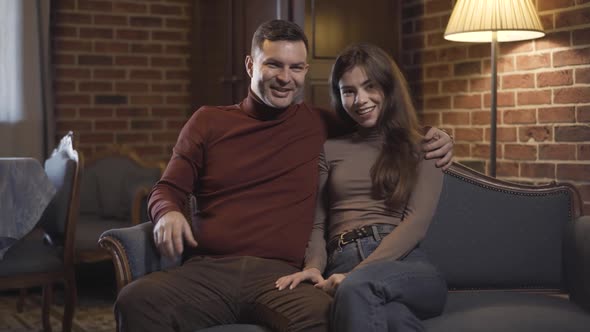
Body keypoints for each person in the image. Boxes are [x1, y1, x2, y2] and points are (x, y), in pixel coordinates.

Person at [115, 20, 452, 332]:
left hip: (282, 276)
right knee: (137, 300)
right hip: (208, 272)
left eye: (296, 67)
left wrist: (435, 136)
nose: (285, 77)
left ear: (306, 70)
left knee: (338, 317)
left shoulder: (319, 124)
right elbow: (167, 189)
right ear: (251, 65)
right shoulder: (208, 122)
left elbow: (379, 124)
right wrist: (168, 212)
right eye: (274, 64)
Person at [275, 43, 447, 332]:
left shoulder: (426, 145)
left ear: (389, 88)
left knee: (357, 290)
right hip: (341, 260)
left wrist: (356, 275)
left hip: (405, 265)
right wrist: (314, 267)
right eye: (348, 91)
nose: (360, 100)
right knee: (393, 319)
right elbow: (318, 224)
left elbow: (416, 224)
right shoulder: (330, 149)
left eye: (370, 87)